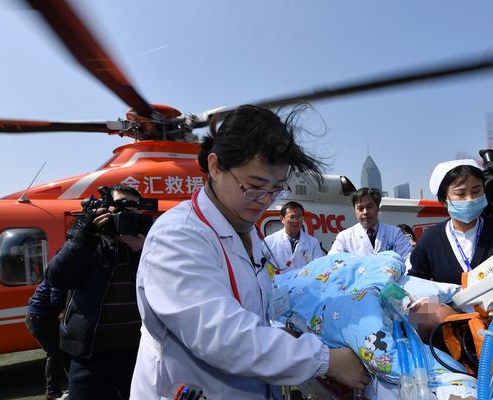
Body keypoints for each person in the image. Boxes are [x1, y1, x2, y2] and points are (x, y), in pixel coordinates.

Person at [130, 105, 369, 399]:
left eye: (276, 190)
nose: (264, 201)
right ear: (215, 166)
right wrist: (324, 360)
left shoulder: (247, 230)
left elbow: (258, 308)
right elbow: (223, 335)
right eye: (254, 186)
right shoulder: (178, 236)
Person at [46, 185, 149, 400]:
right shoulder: (88, 239)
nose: (125, 214)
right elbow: (56, 276)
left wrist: (144, 250)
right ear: (104, 209)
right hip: (91, 355)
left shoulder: (147, 242)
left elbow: (165, 283)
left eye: (132, 208)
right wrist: (84, 237)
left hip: (138, 352)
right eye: (119, 206)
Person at [408, 159, 493, 285]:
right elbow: (416, 282)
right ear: (444, 201)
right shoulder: (430, 240)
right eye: (460, 193)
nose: (470, 199)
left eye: (476, 191)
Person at [328, 187, 413, 258]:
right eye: (360, 208)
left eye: (369, 207)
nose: (365, 212)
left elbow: (408, 259)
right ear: (354, 210)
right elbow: (332, 262)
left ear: (378, 207)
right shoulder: (344, 237)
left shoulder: (395, 233)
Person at [26, 278, 69, 400]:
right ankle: (52, 390)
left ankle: (58, 388)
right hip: (39, 317)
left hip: (39, 316)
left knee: (59, 351)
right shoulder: (62, 273)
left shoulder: (62, 269)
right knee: (56, 352)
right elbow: (56, 300)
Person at [263, 201, 323, 272]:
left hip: (303, 282)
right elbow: (262, 268)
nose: (296, 221)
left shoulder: (313, 242)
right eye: (292, 217)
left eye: (299, 217)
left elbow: (319, 268)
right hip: (277, 282)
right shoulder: (269, 242)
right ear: (282, 219)